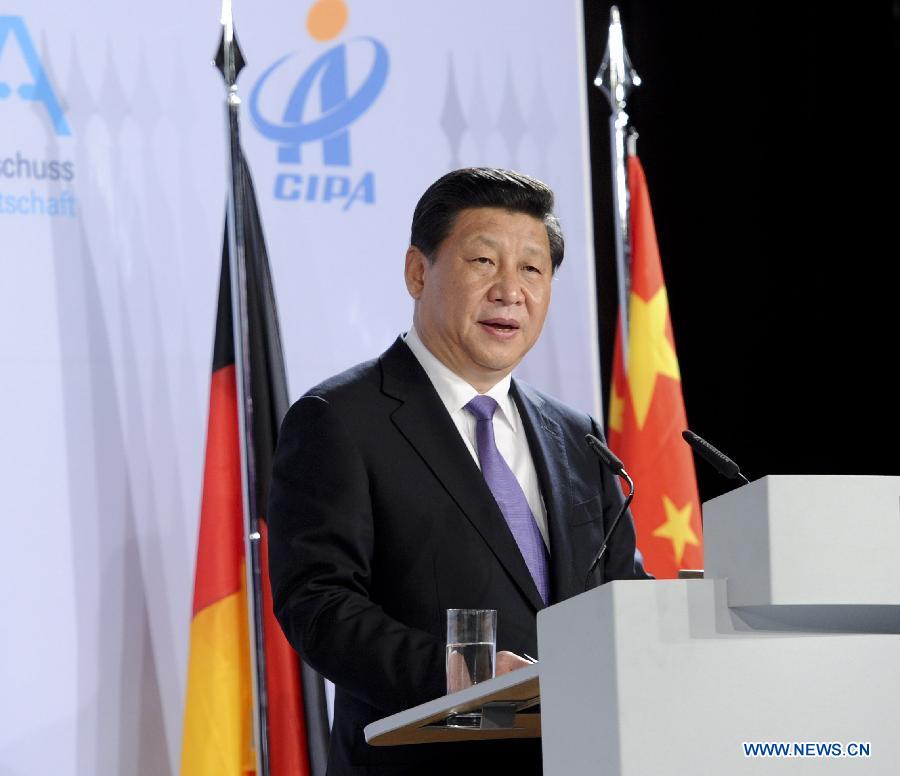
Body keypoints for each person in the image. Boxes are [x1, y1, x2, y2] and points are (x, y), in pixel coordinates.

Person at [268, 168, 649, 775]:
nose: (510, 291)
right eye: (483, 262)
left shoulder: (578, 436)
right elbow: (318, 603)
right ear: (418, 272)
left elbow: (620, 598)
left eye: (532, 269)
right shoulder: (339, 419)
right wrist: (459, 674)